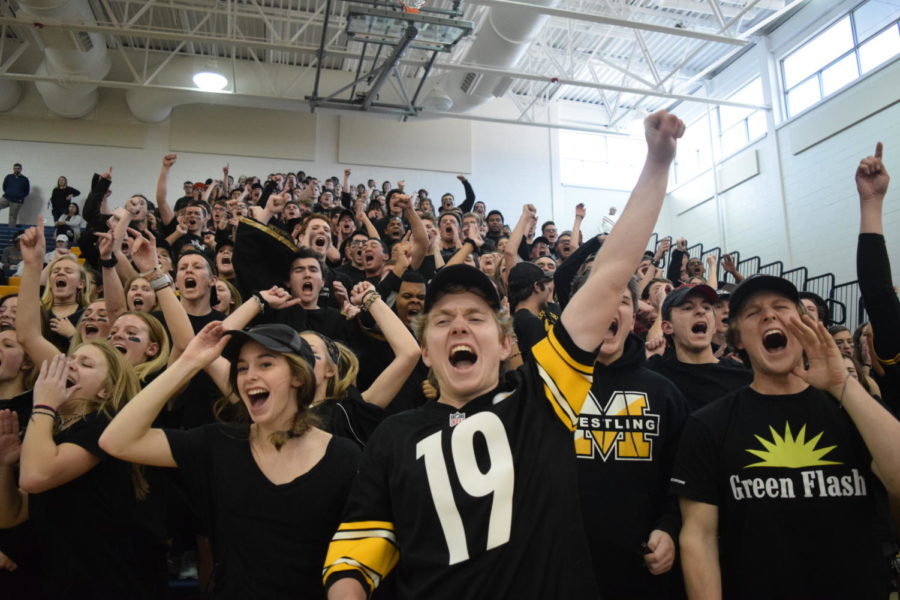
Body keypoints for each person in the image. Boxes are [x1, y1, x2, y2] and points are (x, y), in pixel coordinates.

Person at [322, 109, 685, 600]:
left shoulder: (543, 400)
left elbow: (610, 274)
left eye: (475, 318)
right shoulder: (393, 436)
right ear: (426, 352)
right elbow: (354, 558)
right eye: (443, 321)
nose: (459, 327)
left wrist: (658, 161)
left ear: (507, 343)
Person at [673, 274, 900, 599]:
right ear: (737, 338)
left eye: (781, 307)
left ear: (805, 325)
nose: (769, 315)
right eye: (753, 313)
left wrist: (842, 385)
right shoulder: (708, 424)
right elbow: (699, 537)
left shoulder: (853, 407)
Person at [99, 322, 362, 599]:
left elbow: (353, 559)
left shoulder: (344, 458)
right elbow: (116, 440)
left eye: (265, 364)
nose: (249, 376)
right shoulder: (217, 443)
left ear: (298, 376)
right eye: (242, 368)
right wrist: (189, 361)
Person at [570, 275, 689, 600]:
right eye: (599, 297)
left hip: (641, 572)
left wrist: (669, 528)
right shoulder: (550, 388)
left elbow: (682, 479)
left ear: (634, 314)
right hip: (562, 571)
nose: (610, 306)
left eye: (622, 300)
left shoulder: (664, 392)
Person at [0, 346, 150, 599]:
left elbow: (35, 478)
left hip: (103, 586)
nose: (68, 365)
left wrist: (44, 403)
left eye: (86, 364)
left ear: (105, 391)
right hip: (59, 582)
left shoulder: (102, 426)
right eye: (69, 359)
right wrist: (3, 465)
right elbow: (10, 515)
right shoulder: (53, 435)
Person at [646, 284, 752, 412]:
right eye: (688, 308)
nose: (701, 311)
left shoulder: (742, 376)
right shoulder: (656, 373)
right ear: (667, 327)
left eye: (707, 307)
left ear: (713, 327)